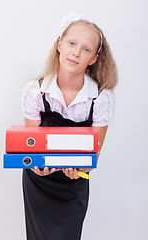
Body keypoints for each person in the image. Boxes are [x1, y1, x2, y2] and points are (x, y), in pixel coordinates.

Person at [21, 14, 118, 240]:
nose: (76, 52)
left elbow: (93, 156)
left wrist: (80, 168)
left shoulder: (100, 99)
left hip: (73, 185)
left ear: (94, 58)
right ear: (59, 45)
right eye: (72, 43)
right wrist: (36, 165)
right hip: (39, 181)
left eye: (86, 49)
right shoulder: (35, 91)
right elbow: (31, 145)